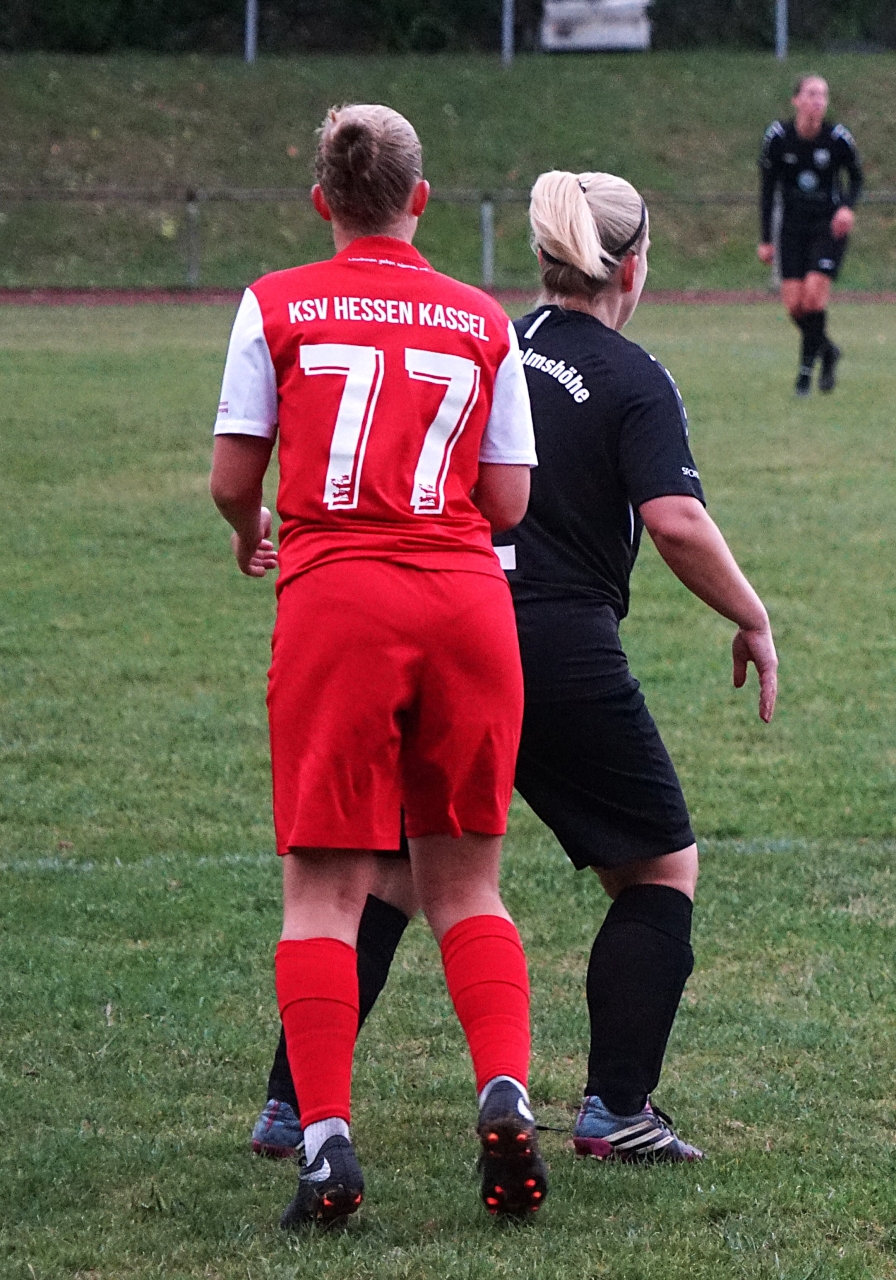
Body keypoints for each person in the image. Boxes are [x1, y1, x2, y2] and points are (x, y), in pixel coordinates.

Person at [248, 169, 781, 1169]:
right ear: (633, 267)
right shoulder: (633, 376)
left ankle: (291, 1106)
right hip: (555, 648)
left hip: (438, 625)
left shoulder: (486, 336)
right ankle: (616, 1107)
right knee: (658, 866)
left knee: (392, 871)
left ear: (543, 258)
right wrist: (751, 614)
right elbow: (675, 519)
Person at [209, 104, 546, 1225]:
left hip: (339, 598)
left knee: (324, 892)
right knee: (467, 884)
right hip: (467, 604)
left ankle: (325, 1144)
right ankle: (505, 1089)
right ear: (421, 199)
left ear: (322, 200)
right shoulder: (483, 316)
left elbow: (232, 478)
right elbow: (509, 499)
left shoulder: (275, 302)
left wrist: (251, 528)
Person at [758, 74, 863, 396]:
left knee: (814, 298)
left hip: (827, 228)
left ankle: (805, 375)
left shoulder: (837, 138)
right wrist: (766, 239)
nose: (818, 100)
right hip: (791, 229)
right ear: (796, 100)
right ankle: (828, 351)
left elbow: (856, 178)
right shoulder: (778, 137)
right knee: (795, 307)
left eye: (823, 95)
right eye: (812, 94)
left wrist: (846, 208)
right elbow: (767, 190)